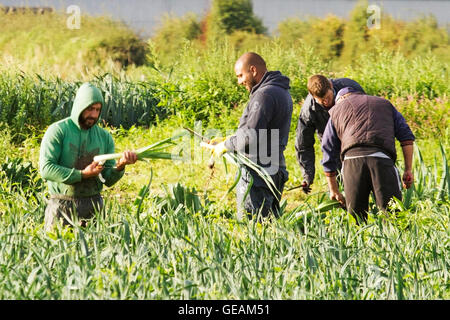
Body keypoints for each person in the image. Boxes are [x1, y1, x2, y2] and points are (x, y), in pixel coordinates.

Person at [206, 52, 293, 220]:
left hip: (257, 172)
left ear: (253, 70)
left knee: (252, 226)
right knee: (268, 226)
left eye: (240, 75)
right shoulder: (280, 91)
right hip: (274, 167)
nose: (239, 81)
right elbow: (262, 131)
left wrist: (225, 146)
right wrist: (227, 140)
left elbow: (249, 136)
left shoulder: (264, 95)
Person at [39, 82, 137, 231]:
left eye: (97, 110)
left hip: (93, 205)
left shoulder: (104, 137)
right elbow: (46, 169)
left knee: (95, 251)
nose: (94, 115)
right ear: (80, 106)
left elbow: (108, 179)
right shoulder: (58, 131)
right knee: (59, 250)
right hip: (61, 205)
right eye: (90, 109)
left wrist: (121, 165)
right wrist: (82, 174)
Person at [321, 87, 415, 224]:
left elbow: (327, 150)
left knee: (356, 220)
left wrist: (334, 190)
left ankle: (359, 244)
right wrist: (408, 170)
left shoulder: (337, 110)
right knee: (394, 217)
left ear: (340, 100)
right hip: (381, 160)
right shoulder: (384, 104)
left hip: (352, 163)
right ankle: (395, 244)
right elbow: (406, 138)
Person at [295, 75, 365, 193]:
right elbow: (304, 144)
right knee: (341, 185)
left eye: (328, 97)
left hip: (356, 138)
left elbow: (368, 111)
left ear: (331, 87)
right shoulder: (308, 111)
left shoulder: (351, 88)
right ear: (312, 96)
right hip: (331, 145)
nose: (326, 102)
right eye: (321, 100)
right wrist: (307, 176)